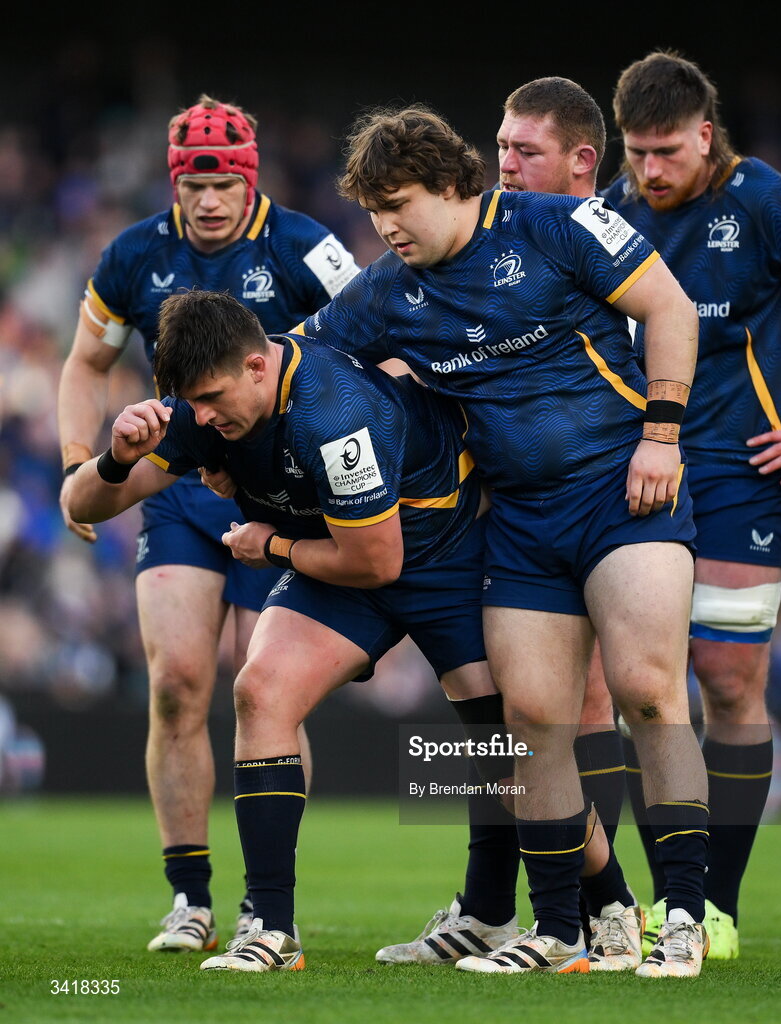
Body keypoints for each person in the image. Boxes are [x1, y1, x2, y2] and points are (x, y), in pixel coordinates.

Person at [299, 104, 712, 978]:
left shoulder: (556, 225)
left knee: (646, 693)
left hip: (624, 492)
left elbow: (673, 310)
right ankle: (560, 932)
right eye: (373, 210)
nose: (384, 226)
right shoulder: (384, 288)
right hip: (519, 522)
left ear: (452, 186)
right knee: (529, 727)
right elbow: (295, 363)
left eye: (399, 203)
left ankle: (682, 917)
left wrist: (662, 435)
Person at [67, 289, 517, 972]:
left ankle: (505, 914)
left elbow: (379, 560)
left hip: (441, 550)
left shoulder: (331, 410)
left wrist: (270, 547)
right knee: (261, 688)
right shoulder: (202, 406)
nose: (207, 418)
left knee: (501, 730)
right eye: (196, 404)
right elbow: (83, 502)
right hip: (338, 556)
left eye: (215, 398)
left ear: (257, 366)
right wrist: (118, 458)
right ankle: (271, 929)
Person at [600, 50, 781, 958]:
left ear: (703, 132)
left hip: (741, 473)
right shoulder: (610, 212)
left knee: (727, 679)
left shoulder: (769, 205)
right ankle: (669, 901)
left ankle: (714, 905)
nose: (649, 171)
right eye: (634, 153)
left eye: (664, 152)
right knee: (645, 688)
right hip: (637, 467)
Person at [56, 94, 361, 953]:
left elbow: (382, 327)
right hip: (180, 486)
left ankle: (271, 897)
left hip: (280, 496)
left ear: (250, 179)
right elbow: (86, 363)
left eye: (225, 180)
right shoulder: (132, 255)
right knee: (176, 684)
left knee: (264, 688)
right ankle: (190, 899)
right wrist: (82, 458)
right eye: (195, 182)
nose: (210, 198)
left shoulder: (306, 246)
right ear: (174, 182)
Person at [375, 77, 638, 973]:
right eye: (501, 145)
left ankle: (636, 909)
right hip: (491, 519)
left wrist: (667, 441)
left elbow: (669, 339)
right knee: (498, 718)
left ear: (582, 162)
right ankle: (509, 906)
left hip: (612, 496)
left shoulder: (594, 237)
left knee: (584, 707)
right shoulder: (422, 269)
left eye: (523, 150)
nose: (504, 163)